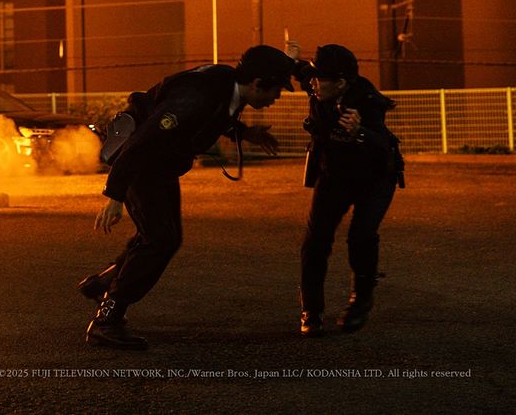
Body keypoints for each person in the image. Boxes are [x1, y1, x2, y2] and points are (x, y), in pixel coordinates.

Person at [80, 45, 296, 349]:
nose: (277, 98)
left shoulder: (227, 83)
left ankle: (103, 283)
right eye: (276, 90)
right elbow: (142, 141)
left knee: (164, 236)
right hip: (141, 159)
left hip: (159, 161)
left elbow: (219, 114)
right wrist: (114, 195)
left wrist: (246, 133)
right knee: (160, 239)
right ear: (258, 83)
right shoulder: (196, 99)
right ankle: (107, 320)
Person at [293, 43, 403, 337]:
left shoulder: (366, 101)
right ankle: (311, 311)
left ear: (341, 83)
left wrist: (360, 132)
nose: (313, 82)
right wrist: (290, 58)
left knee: (361, 235)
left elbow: (383, 143)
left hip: (375, 177)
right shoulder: (319, 86)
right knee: (315, 241)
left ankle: (361, 300)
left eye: (320, 78)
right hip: (335, 174)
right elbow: (300, 71)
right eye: (313, 77)